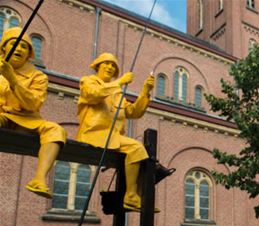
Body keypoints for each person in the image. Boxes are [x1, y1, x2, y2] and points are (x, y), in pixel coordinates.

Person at [77, 52, 154, 212]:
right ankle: (131, 196)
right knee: (136, 148)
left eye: (113, 65)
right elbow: (93, 95)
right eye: (107, 63)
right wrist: (119, 82)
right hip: (93, 133)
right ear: (97, 66)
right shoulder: (88, 81)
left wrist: (145, 92)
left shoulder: (117, 93)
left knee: (140, 154)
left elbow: (134, 112)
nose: (110, 67)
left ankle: (135, 195)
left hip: (112, 137)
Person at [0, 27, 66, 198]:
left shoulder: (38, 77)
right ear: (4, 48)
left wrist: (12, 78)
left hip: (26, 119)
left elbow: (33, 103)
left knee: (55, 130)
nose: (19, 49)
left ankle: (39, 179)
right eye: (14, 44)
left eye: (24, 47)